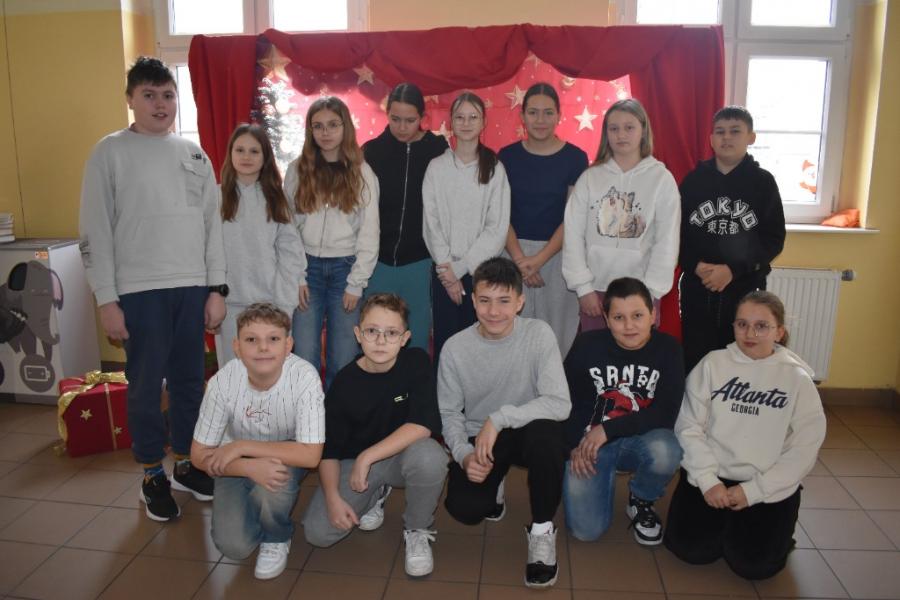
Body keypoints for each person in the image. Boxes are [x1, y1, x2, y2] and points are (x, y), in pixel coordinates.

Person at [79, 56, 225, 521]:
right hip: (139, 292)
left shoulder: (194, 154)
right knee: (145, 386)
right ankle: (150, 473)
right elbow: (95, 231)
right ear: (130, 99)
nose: (160, 104)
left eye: (167, 95)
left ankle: (184, 462)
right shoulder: (109, 153)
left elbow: (213, 227)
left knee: (189, 382)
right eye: (148, 95)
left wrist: (216, 289)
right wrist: (106, 299)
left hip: (191, 287)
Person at [664, 291, 826, 580]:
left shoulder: (797, 379)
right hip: (713, 477)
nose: (750, 334)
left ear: (779, 332)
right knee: (690, 551)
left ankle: (777, 526)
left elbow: (804, 448)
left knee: (754, 567)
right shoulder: (712, 364)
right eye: (742, 324)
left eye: (761, 326)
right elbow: (688, 426)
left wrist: (753, 491)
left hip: (765, 483)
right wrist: (707, 480)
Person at [438, 257, 570, 588]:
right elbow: (450, 414)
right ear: (473, 300)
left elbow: (559, 403)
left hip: (527, 430)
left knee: (548, 437)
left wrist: (499, 419)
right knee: (466, 509)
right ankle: (493, 481)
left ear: (520, 302)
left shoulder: (538, 334)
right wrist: (464, 456)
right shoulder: (455, 348)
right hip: (481, 439)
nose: (494, 311)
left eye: (504, 301)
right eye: (485, 300)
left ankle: (542, 530)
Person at [303, 293, 448, 577]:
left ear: (405, 338)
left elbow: (423, 424)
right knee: (318, 533)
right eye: (372, 331)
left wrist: (367, 457)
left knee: (431, 457)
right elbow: (328, 451)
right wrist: (332, 497)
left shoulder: (416, 361)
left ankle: (417, 528)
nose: (381, 341)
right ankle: (374, 493)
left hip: (399, 458)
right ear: (358, 334)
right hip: (353, 464)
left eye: (391, 333)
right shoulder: (344, 383)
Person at [191, 303, 325, 580]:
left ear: (288, 345)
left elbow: (311, 455)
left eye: (273, 339)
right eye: (251, 340)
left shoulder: (304, 377)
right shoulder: (222, 382)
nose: (263, 348)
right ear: (237, 347)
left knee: (274, 483)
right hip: (235, 459)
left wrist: (242, 447)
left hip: (284, 449)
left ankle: (276, 536)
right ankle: (253, 504)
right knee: (234, 546)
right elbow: (199, 455)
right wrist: (248, 467)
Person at [562, 277, 684, 546]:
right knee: (585, 531)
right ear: (606, 319)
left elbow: (666, 413)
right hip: (589, 443)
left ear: (653, 315)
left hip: (640, 439)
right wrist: (572, 445)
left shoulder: (669, 349)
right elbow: (564, 400)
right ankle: (597, 477)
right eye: (619, 317)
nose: (629, 326)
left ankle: (641, 498)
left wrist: (607, 429)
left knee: (667, 450)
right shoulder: (586, 344)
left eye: (637, 315)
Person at [679, 106, 786, 373]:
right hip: (698, 288)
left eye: (735, 131)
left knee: (743, 357)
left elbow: (773, 239)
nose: (726, 137)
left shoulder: (763, 183)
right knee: (697, 359)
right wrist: (694, 265)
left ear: (751, 137)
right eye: (720, 131)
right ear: (711, 139)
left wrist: (733, 270)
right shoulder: (693, 181)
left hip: (745, 288)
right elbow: (675, 234)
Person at [284, 96, 380, 390]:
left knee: (344, 357)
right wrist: (297, 275)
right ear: (310, 130)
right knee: (304, 354)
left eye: (333, 125)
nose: (325, 133)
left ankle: (337, 416)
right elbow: (288, 227)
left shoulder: (361, 172)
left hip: (345, 271)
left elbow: (369, 231)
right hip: (307, 270)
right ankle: (308, 414)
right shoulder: (298, 170)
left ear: (345, 127)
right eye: (318, 126)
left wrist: (356, 282)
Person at [562, 98, 680, 332]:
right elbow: (573, 234)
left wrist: (651, 293)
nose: (621, 135)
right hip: (595, 290)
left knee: (636, 353)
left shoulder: (661, 179)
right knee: (597, 352)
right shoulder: (590, 177)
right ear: (606, 134)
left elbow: (666, 241)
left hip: (641, 291)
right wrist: (583, 287)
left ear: (643, 130)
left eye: (629, 127)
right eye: (614, 128)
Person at [500, 83, 588, 356]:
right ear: (522, 116)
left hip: (557, 255)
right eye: (533, 112)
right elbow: (499, 214)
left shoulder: (576, 158)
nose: (540, 120)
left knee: (555, 339)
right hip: (512, 253)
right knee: (510, 334)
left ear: (559, 115)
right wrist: (521, 261)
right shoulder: (506, 157)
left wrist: (539, 260)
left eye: (548, 113)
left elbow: (572, 218)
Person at [423, 91, 510, 363]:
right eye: (460, 117)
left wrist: (460, 269)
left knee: (481, 346)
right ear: (451, 123)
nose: (466, 123)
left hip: (481, 273)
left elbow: (496, 228)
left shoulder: (494, 168)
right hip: (443, 271)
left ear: (483, 123)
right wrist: (447, 272)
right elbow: (431, 223)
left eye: (473, 117)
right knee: (447, 347)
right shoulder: (436, 168)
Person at [362, 83, 449, 351]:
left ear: (422, 117)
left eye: (410, 120)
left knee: (417, 338)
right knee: (376, 340)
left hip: (420, 261)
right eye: (395, 119)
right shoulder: (371, 151)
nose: (402, 127)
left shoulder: (437, 150)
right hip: (377, 261)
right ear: (387, 114)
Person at [216, 123, 306, 367]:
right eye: (240, 150)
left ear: (265, 156)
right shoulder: (216, 197)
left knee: (269, 373)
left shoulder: (277, 198)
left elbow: (290, 252)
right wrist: (211, 298)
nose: (246, 157)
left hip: (270, 304)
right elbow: (207, 252)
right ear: (230, 154)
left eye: (254, 151)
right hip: (228, 305)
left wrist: (285, 303)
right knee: (233, 373)